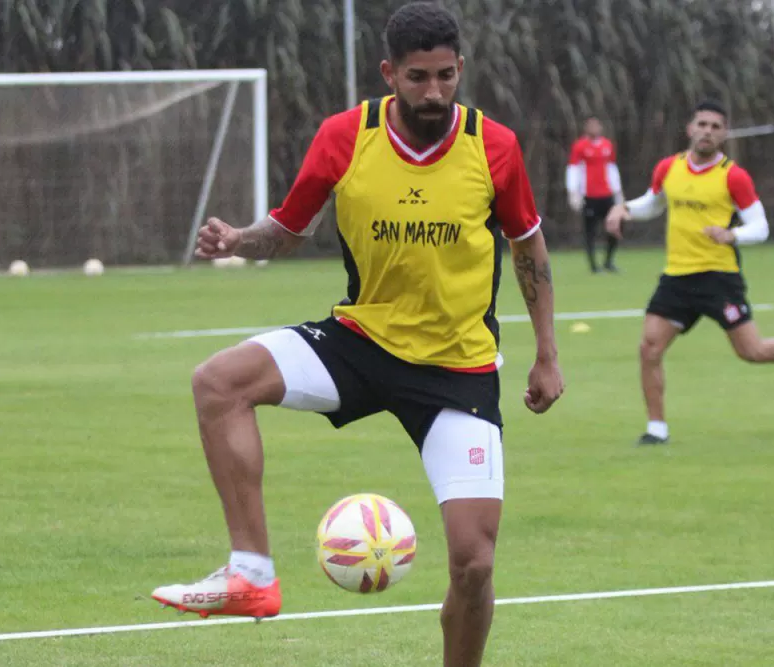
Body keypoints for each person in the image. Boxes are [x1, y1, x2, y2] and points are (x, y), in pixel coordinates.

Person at [151, 3, 565, 666]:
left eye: (446, 76)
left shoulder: (494, 145)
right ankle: (251, 573)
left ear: (462, 68)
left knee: (474, 564)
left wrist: (547, 353)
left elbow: (527, 245)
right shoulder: (347, 136)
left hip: (457, 370)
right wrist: (238, 240)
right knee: (217, 382)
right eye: (418, 77)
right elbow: (288, 230)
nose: (434, 92)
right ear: (389, 72)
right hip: (360, 343)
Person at [605, 100, 774, 446]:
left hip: (719, 278)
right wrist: (623, 208)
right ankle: (657, 430)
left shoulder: (733, 176)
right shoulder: (669, 168)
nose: (707, 131)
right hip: (677, 277)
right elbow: (653, 203)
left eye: (716, 127)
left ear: (724, 135)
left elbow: (760, 226)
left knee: (752, 351)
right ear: (690, 129)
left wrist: (733, 235)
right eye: (702, 124)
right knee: (650, 348)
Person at [566, 116, 624, 273]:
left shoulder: (607, 145)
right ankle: (593, 265)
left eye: (596, 125)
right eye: (591, 125)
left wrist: (618, 192)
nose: (594, 128)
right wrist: (573, 192)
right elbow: (573, 169)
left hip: (607, 195)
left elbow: (612, 168)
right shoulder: (580, 147)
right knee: (590, 230)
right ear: (586, 128)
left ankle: (608, 261)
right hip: (590, 196)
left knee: (615, 226)